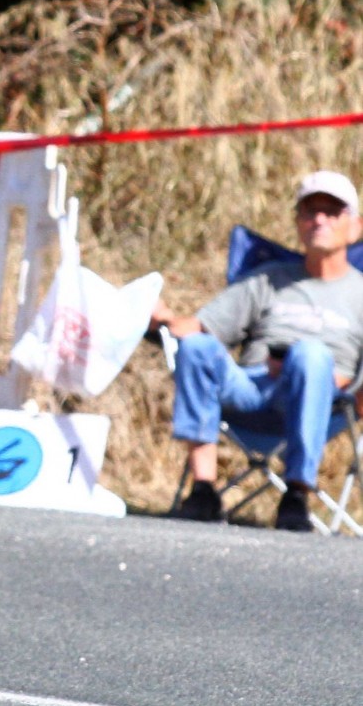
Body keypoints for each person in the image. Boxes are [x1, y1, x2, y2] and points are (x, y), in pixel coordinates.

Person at [151, 170, 363, 531]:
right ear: (297, 222)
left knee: (309, 356)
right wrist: (159, 316)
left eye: (332, 212)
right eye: (309, 212)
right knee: (198, 347)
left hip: (325, 399)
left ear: (356, 227)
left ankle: (296, 493)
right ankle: (203, 490)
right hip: (251, 389)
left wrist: (304, 367)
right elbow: (199, 327)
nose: (319, 220)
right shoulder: (267, 278)